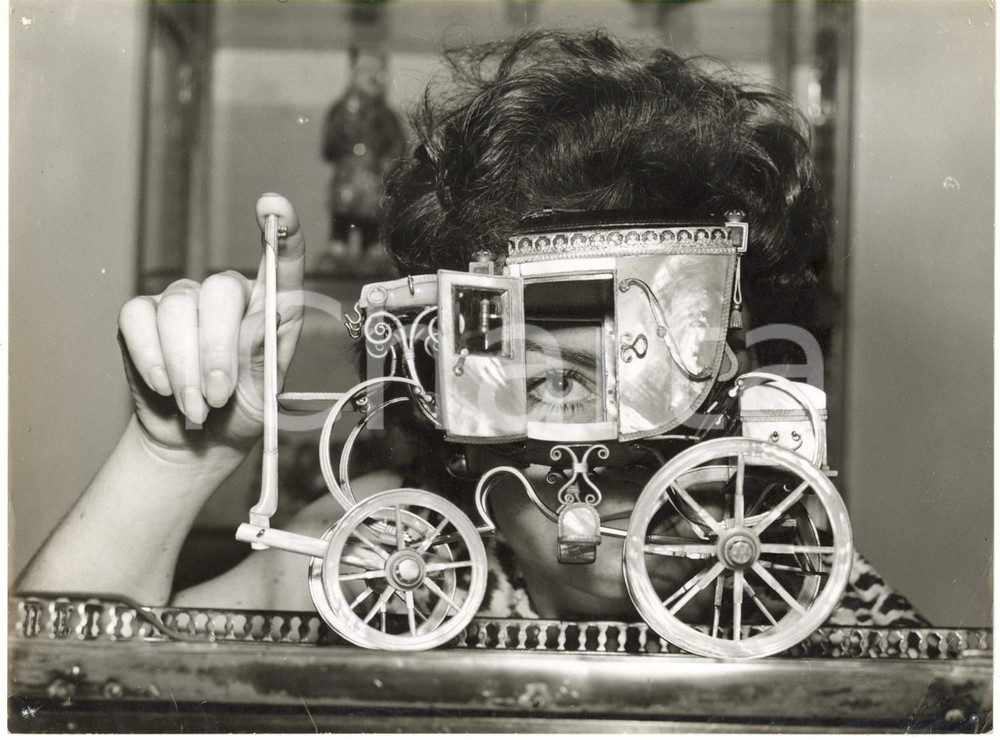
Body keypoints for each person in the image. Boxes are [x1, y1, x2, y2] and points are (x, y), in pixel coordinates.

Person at [18, 31, 926, 630]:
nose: (623, 446)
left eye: (687, 378)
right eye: (553, 379)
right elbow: (51, 691)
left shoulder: (853, 625)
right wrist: (175, 456)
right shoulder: (376, 567)